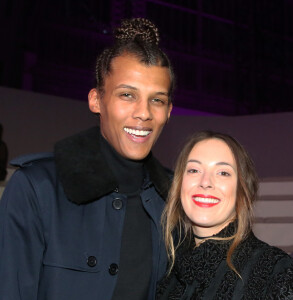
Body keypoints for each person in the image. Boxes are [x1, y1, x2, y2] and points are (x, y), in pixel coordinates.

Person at [0, 18, 174, 300]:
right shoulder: (37, 189)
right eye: (127, 95)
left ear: (168, 111)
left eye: (157, 99)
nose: (144, 113)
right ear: (96, 100)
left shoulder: (175, 199)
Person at [156, 131, 293, 299]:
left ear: (243, 190)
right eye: (194, 170)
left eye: (223, 173)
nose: (205, 182)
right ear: (179, 183)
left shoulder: (275, 272)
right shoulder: (165, 271)